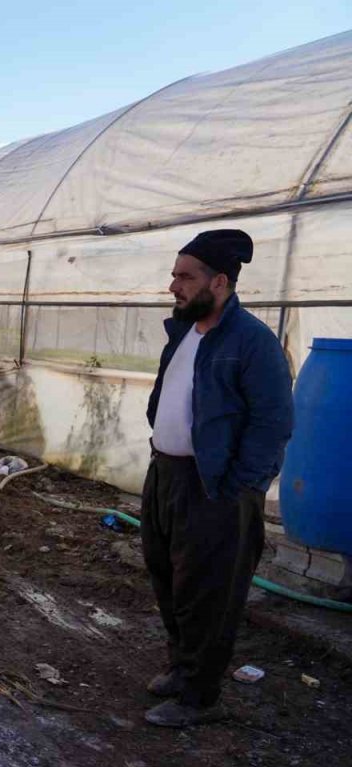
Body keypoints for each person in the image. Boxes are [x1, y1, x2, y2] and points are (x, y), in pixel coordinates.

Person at [140, 229, 293, 728]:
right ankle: (181, 668)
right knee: (169, 578)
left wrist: (238, 485)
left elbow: (273, 421)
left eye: (185, 276)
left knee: (209, 593)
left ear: (220, 282)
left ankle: (199, 696)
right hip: (166, 475)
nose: (173, 286)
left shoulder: (251, 341)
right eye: (174, 275)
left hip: (215, 486)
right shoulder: (184, 333)